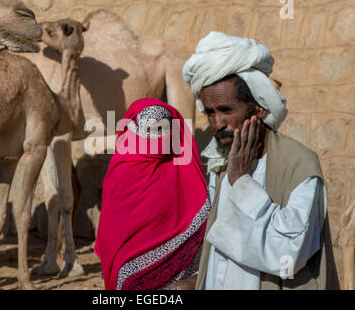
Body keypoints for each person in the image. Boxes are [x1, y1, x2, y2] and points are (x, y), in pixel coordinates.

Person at [170, 31, 339, 290]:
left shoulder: (299, 164)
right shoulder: (220, 161)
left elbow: (288, 254)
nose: (217, 124)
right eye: (210, 113)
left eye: (226, 110)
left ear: (259, 106)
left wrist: (242, 183)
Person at [95, 98, 210, 290]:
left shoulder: (181, 165)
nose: (161, 136)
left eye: (165, 129)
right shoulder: (123, 167)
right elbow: (112, 226)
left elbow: (198, 209)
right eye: (152, 130)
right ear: (136, 130)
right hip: (128, 265)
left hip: (178, 274)